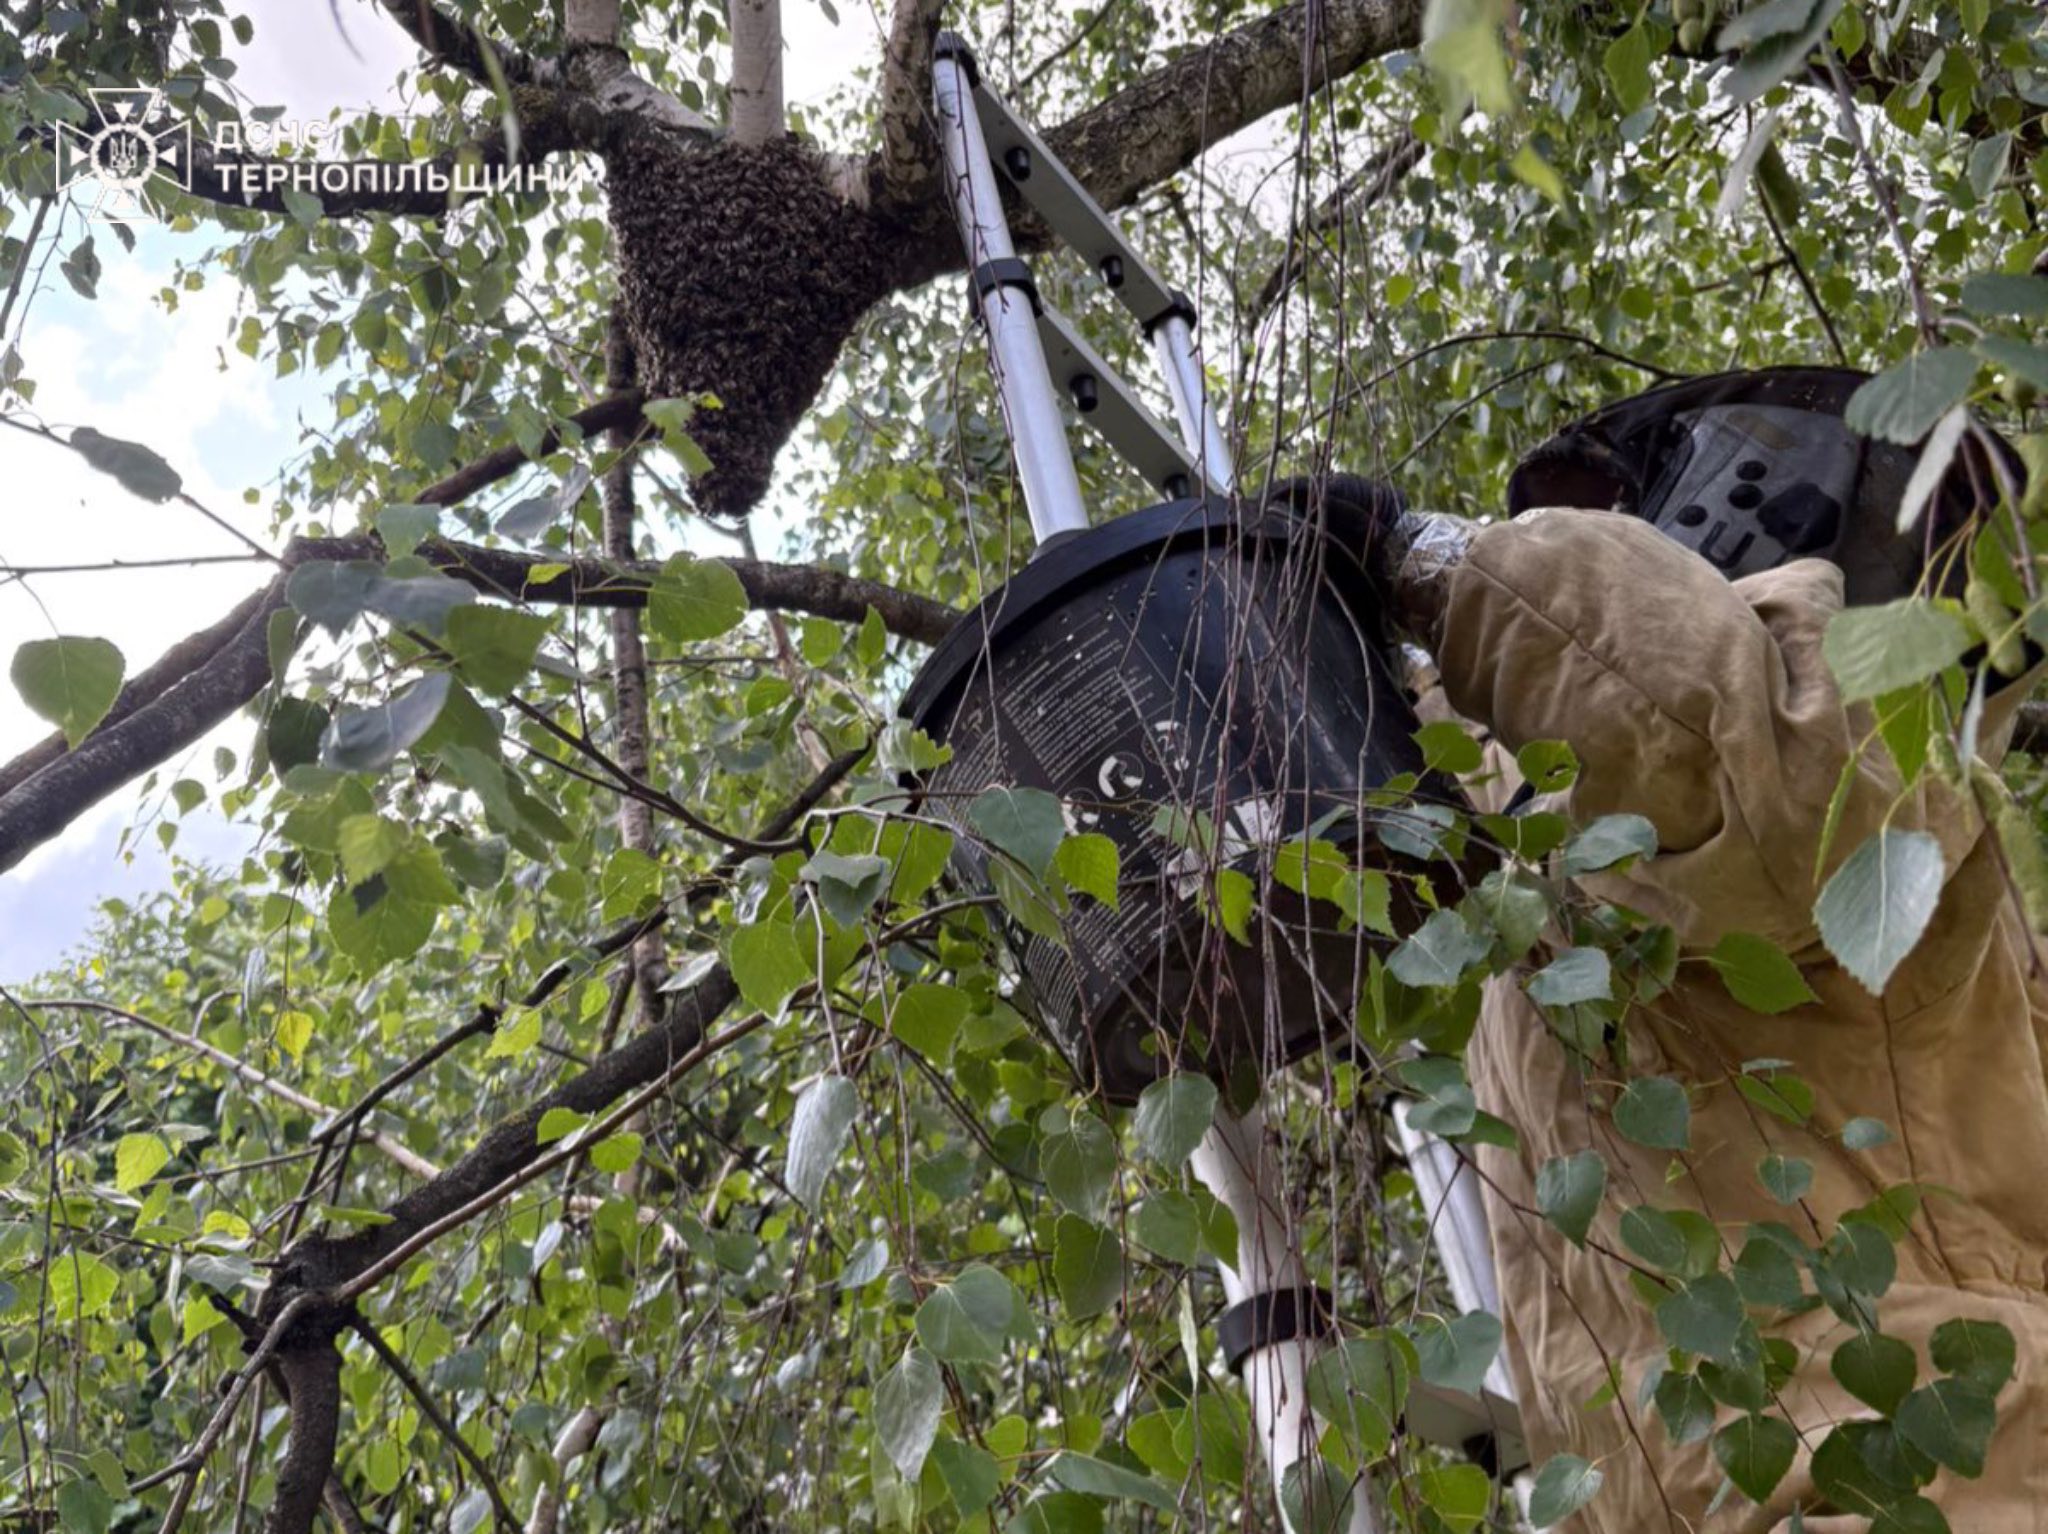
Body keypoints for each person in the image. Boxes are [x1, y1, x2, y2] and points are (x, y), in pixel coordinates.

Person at [1311, 369, 2048, 1530]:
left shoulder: (1865, 703)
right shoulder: (1589, 844)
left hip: (1934, 1475)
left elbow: (1747, 776)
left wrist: (1431, 560)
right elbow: (1554, 760)